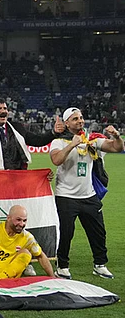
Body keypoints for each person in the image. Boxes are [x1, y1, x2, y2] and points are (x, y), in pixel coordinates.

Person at [50, 107, 123, 279]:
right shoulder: (59, 142)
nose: (80, 121)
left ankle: (100, 264)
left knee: (98, 232)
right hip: (66, 196)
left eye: (81, 118)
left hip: (89, 195)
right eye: (75, 119)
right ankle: (62, 266)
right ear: (67, 123)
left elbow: (116, 148)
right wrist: (73, 144)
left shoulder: (92, 140)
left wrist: (117, 137)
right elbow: (56, 160)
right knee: (66, 233)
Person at [0, 97, 64, 170]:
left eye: (5, 108)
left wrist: (53, 132)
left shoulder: (16, 127)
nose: (3, 111)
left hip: (17, 174)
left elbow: (37, 140)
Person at [0, 205, 54, 281]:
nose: (22, 224)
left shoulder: (27, 237)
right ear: (8, 218)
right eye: (18, 220)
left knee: (26, 253)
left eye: (24, 220)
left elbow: (41, 256)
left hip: (3, 274)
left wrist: (52, 277)